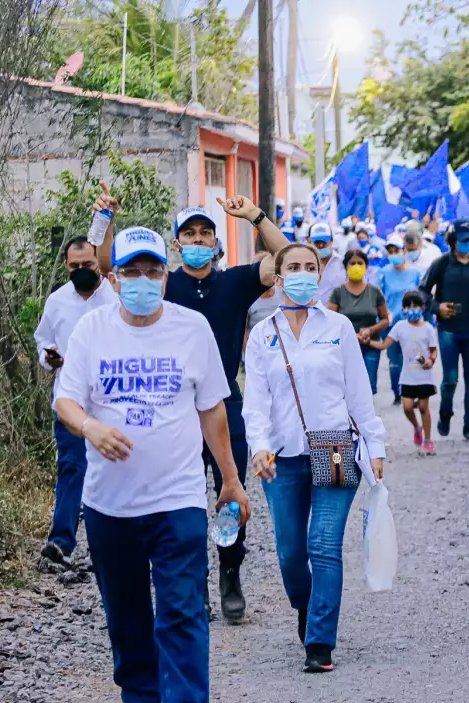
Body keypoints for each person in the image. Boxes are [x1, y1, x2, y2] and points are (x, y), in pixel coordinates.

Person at [55, 225, 250, 703]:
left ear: (166, 276)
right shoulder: (92, 331)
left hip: (178, 495)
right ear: (114, 279)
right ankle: (140, 696)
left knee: (183, 605)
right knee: (125, 606)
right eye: (132, 272)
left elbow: (213, 409)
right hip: (109, 501)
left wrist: (230, 480)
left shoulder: (192, 329)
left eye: (153, 271)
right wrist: (91, 428)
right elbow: (66, 401)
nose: (144, 281)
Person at [244, 243, 387, 673]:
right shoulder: (262, 334)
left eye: (312, 266)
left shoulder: (339, 326)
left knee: (323, 545)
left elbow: (359, 394)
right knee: (290, 553)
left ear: (320, 273)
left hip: (336, 448)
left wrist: (375, 447)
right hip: (282, 458)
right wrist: (259, 447)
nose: (304, 273)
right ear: (280, 277)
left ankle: (320, 641)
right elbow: (255, 402)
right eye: (295, 267)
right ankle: (308, 607)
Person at [154, 198, 288, 624]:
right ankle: (196, 583)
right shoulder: (163, 284)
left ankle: (230, 574)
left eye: (205, 233)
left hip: (226, 402)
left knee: (229, 496)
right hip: (173, 407)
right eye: (190, 234)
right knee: (184, 498)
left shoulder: (234, 282)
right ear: (177, 244)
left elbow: (287, 259)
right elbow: (109, 273)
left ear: (215, 242)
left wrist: (256, 217)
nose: (198, 240)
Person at [35, 185, 121, 565]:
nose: (82, 271)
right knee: (71, 467)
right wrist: (48, 358)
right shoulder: (56, 302)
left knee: (115, 468)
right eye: (75, 267)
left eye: (88, 265)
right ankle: (61, 541)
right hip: (69, 402)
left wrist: (105, 218)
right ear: (66, 267)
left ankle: (116, 539)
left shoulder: (115, 298)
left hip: (111, 401)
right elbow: (42, 342)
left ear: (97, 264)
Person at [420, 219, 469, 442]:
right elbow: (422, 292)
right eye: (463, 240)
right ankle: (445, 415)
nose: (467, 244)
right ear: (453, 241)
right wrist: (438, 308)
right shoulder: (442, 264)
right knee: (450, 380)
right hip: (448, 331)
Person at [368, 291, 438, 454]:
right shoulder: (400, 326)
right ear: (403, 309)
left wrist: (430, 361)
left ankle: (428, 440)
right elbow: (385, 344)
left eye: (415, 306)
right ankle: (416, 427)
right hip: (408, 376)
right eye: (408, 306)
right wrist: (368, 342)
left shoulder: (428, 328)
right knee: (407, 407)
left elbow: (433, 351)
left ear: (423, 308)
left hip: (424, 376)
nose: (412, 309)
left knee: (423, 407)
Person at [328, 249, 391, 395]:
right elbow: (330, 320)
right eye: (352, 263)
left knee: (367, 389)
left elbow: (385, 320)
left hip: (370, 345)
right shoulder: (338, 292)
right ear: (346, 266)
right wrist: (352, 335)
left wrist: (371, 330)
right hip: (344, 347)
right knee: (347, 389)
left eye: (360, 263)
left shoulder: (374, 291)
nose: (356, 266)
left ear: (366, 266)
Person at [375, 233, 423, 406]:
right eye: (390, 251)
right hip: (391, 326)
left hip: (412, 324)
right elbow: (378, 298)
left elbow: (422, 297)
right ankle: (398, 392)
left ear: (404, 251)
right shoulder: (383, 273)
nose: (393, 254)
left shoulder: (416, 273)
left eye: (396, 250)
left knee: (413, 359)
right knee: (395, 362)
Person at [308, 222, 346, 304]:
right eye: (317, 242)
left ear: (331, 241)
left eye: (324, 241)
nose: (321, 245)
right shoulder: (304, 265)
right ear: (310, 242)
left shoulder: (342, 263)